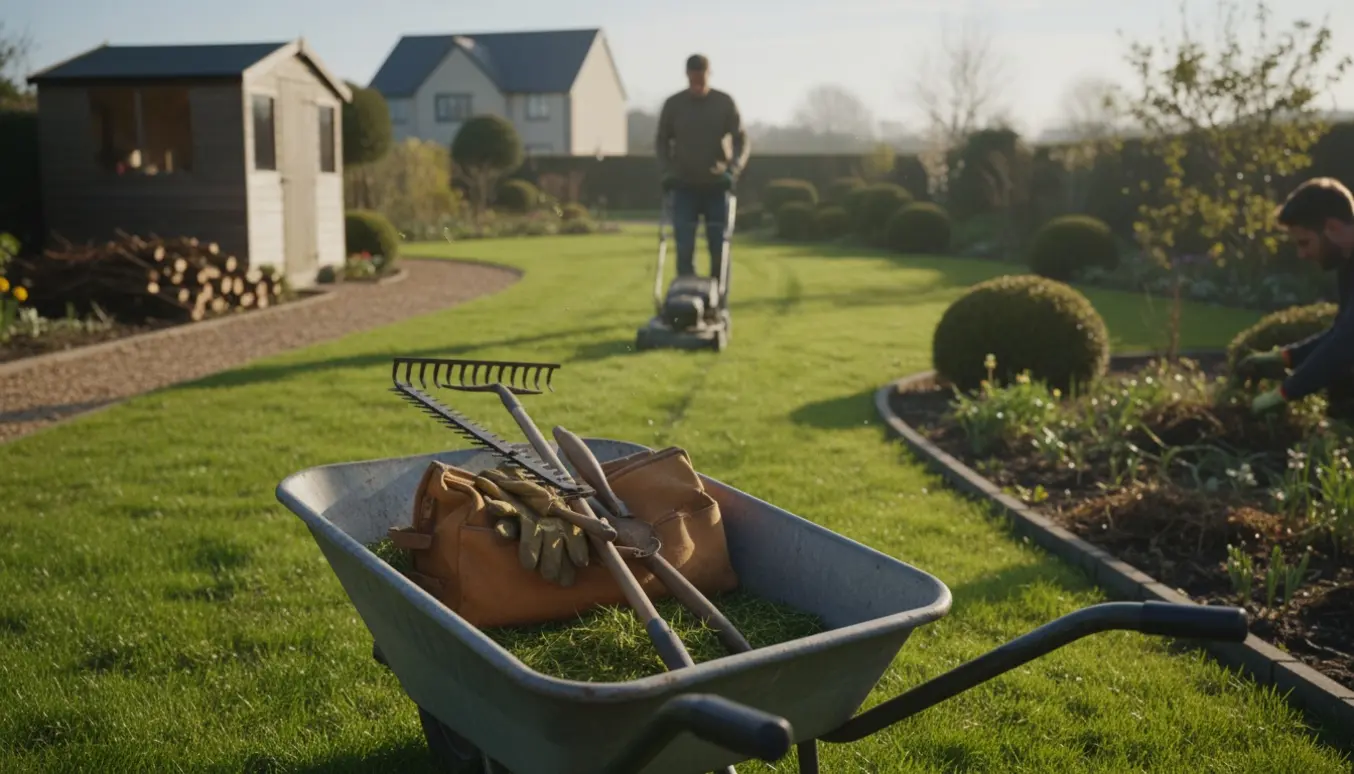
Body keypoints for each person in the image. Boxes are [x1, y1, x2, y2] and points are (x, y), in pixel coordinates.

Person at [1234, 177, 1354, 416]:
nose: (1301, 254)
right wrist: (1285, 358)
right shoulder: (1348, 264)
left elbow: (1347, 342)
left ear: (1332, 228)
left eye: (1305, 242)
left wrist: (1285, 393)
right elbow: (1342, 330)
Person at [654, 53, 751, 280]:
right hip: (683, 186)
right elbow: (661, 141)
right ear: (687, 76)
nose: (697, 86)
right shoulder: (674, 105)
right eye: (693, 81)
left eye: (702, 80)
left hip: (717, 185)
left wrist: (733, 169)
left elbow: (742, 139)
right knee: (684, 245)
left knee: (719, 248)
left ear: (709, 75)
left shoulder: (724, 103)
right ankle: (687, 300)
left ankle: (718, 302)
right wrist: (666, 170)